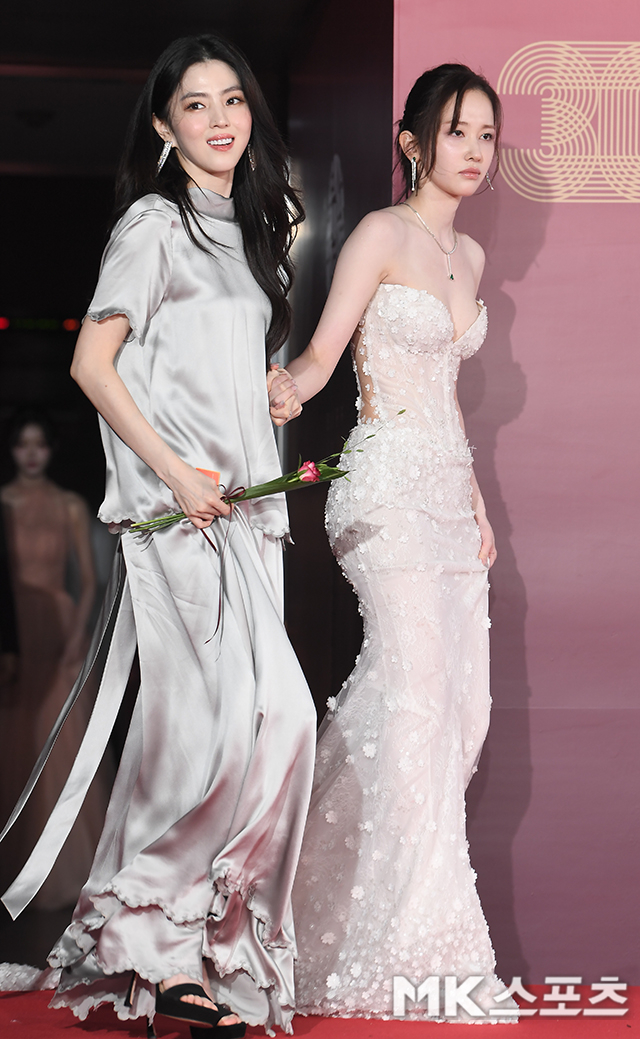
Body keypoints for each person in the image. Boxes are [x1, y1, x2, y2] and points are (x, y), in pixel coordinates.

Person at [0, 35, 316, 1037]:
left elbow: (212, 363)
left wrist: (270, 389)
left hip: (248, 515)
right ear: (164, 125)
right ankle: (168, 950)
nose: (221, 118)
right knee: (230, 726)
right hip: (178, 516)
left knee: (246, 727)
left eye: (233, 100)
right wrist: (177, 473)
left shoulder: (251, 231)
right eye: (197, 103)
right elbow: (94, 365)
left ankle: (188, 953)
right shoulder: (153, 221)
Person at [270, 64, 516, 1020]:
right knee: (416, 704)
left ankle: (298, 914)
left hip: (450, 501)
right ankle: (420, 953)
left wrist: (477, 501)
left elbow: (445, 396)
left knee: (462, 713)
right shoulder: (379, 233)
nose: (474, 150)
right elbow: (323, 357)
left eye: (487, 134)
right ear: (414, 142)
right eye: (457, 131)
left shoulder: (473, 256)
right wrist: (280, 388)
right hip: (383, 494)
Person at [0, 411, 107, 910]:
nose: (31, 453)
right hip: (14, 626)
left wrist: (75, 640)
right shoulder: (2, 502)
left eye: (39, 444)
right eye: (22, 444)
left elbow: (86, 581)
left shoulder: (68, 505)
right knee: (14, 735)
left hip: (58, 628)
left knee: (56, 736)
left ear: (51, 449)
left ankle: (61, 866)